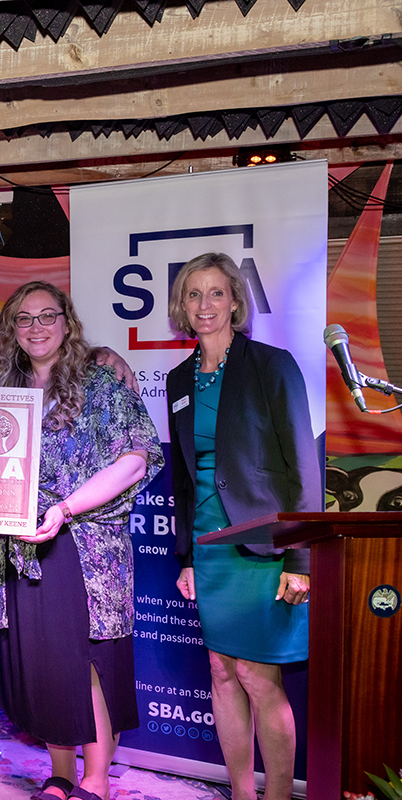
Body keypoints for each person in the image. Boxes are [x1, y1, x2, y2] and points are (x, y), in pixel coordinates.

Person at [0, 281, 161, 800]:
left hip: (87, 543)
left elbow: (136, 459)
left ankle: (95, 780)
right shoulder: (4, 390)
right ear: (11, 329)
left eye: (47, 315)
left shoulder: (102, 381)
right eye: (24, 318)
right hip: (24, 545)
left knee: (89, 662)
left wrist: (65, 509)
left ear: (67, 322)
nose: (36, 327)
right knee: (45, 662)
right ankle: (61, 774)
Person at [166, 253, 320, 800]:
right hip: (209, 546)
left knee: (258, 675)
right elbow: (184, 478)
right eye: (193, 294)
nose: (205, 304)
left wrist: (301, 557)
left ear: (235, 300)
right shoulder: (179, 380)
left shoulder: (271, 365)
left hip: (264, 547)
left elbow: (304, 464)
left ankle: (276, 795)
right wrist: (186, 557)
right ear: (182, 306)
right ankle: (241, 793)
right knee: (221, 671)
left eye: (216, 292)